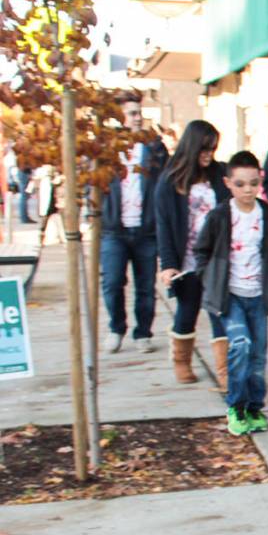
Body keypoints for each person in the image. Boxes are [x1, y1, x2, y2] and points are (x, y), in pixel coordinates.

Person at [194, 150, 268, 436]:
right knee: (241, 345)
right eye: (240, 184)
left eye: (253, 183)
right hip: (229, 294)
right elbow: (202, 251)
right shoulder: (221, 216)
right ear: (228, 183)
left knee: (258, 355)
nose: (248, 190)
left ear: (261, 181)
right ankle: (235, 405)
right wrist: (209, 280)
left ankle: (254, 407)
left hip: (257, 295)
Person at [155, 120, 229, 386]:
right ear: (192, 146)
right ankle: (181, 361)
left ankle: (225, 372)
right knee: (187, 311)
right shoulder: (170, 181)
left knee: (220, 312)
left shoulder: (220, 175)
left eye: (213, 148)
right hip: (186, 262)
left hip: (216, 260)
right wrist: (168, 264)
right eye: (204, 149)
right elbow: (163, 225)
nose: (209, 154)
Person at [99, 89, 169, 354]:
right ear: (119, 117)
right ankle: (116, 327)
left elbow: (165, 184)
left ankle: (143, 333)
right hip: (114, 230)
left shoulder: (154, 147)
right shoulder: (106, 147)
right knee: (112, 282)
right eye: (132, 114)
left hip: (146, 229)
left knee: (145, 286)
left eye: (139, 113)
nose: (138, 118)